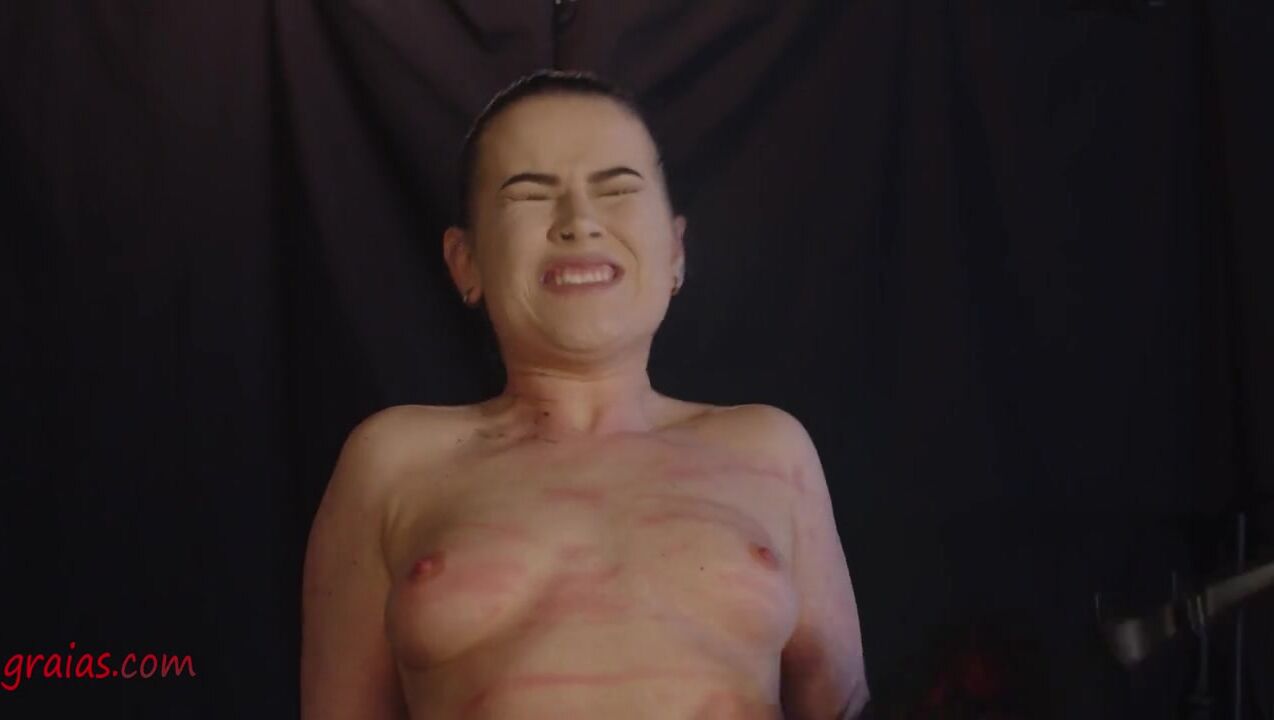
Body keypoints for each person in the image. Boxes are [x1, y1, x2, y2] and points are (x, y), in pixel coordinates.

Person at [300, 69, 869, 720]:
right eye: (529, 194)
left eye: (617, 189)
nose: (580, 223)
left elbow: (843, 704)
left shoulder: (770, 450)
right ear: (466, 262)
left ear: (675, 250)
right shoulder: (392, 462)